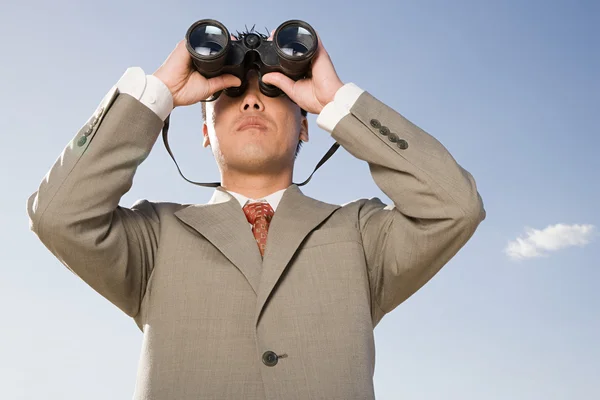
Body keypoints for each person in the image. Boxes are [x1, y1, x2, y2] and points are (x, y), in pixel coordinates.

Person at [27, 26, 486, 400]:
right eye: (228, 94)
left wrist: (339, 104)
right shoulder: (156, 238)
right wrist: (156, 94)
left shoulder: (361, 235)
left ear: (307, 126)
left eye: (271, 89)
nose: (251, 99)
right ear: (204, 134)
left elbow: (455, 207)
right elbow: (57, 214)